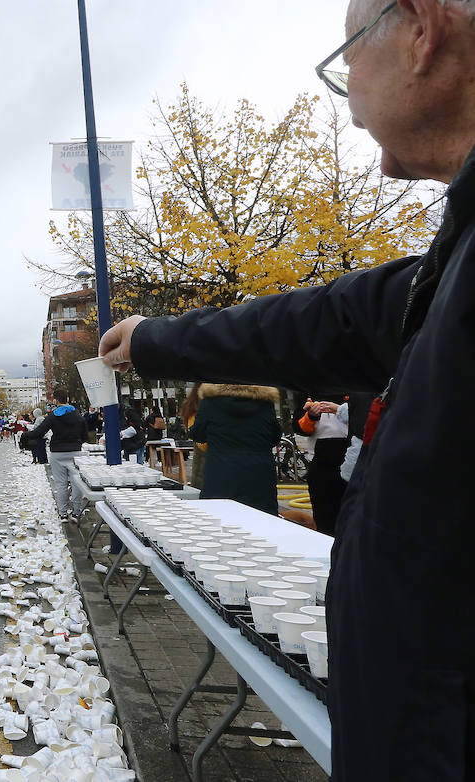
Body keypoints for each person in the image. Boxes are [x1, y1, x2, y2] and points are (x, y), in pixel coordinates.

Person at [97, 4, 475, 773]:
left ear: (421, 29)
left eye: (346, 63)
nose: (349, 100)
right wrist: (157, 339)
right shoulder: (454, 258)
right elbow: (331, 319)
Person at [188, 384, 281, 515]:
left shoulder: (210, 402)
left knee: (218, 515)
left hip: (220, 472)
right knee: (262, 517)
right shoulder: (265, 403)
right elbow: (275, 437)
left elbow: (198, 435)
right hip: (259, 474)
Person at [20, 401, 89, 520]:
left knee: (61, 484)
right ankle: (76, 512)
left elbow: (39, 432)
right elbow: (85, 437)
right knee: (77, 483)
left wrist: (24, 435)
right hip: (75, 453)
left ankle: (63, 513)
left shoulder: (53, 416)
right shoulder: (78, 417)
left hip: (58, 453)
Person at [298, 397, 348, 535]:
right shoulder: (310, 393)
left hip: (353, 461)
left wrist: (341, 411)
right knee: (324, 522)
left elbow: (366, 422)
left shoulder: (362, 392)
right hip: (321, 464)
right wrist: (311, 416)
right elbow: (299, 428)